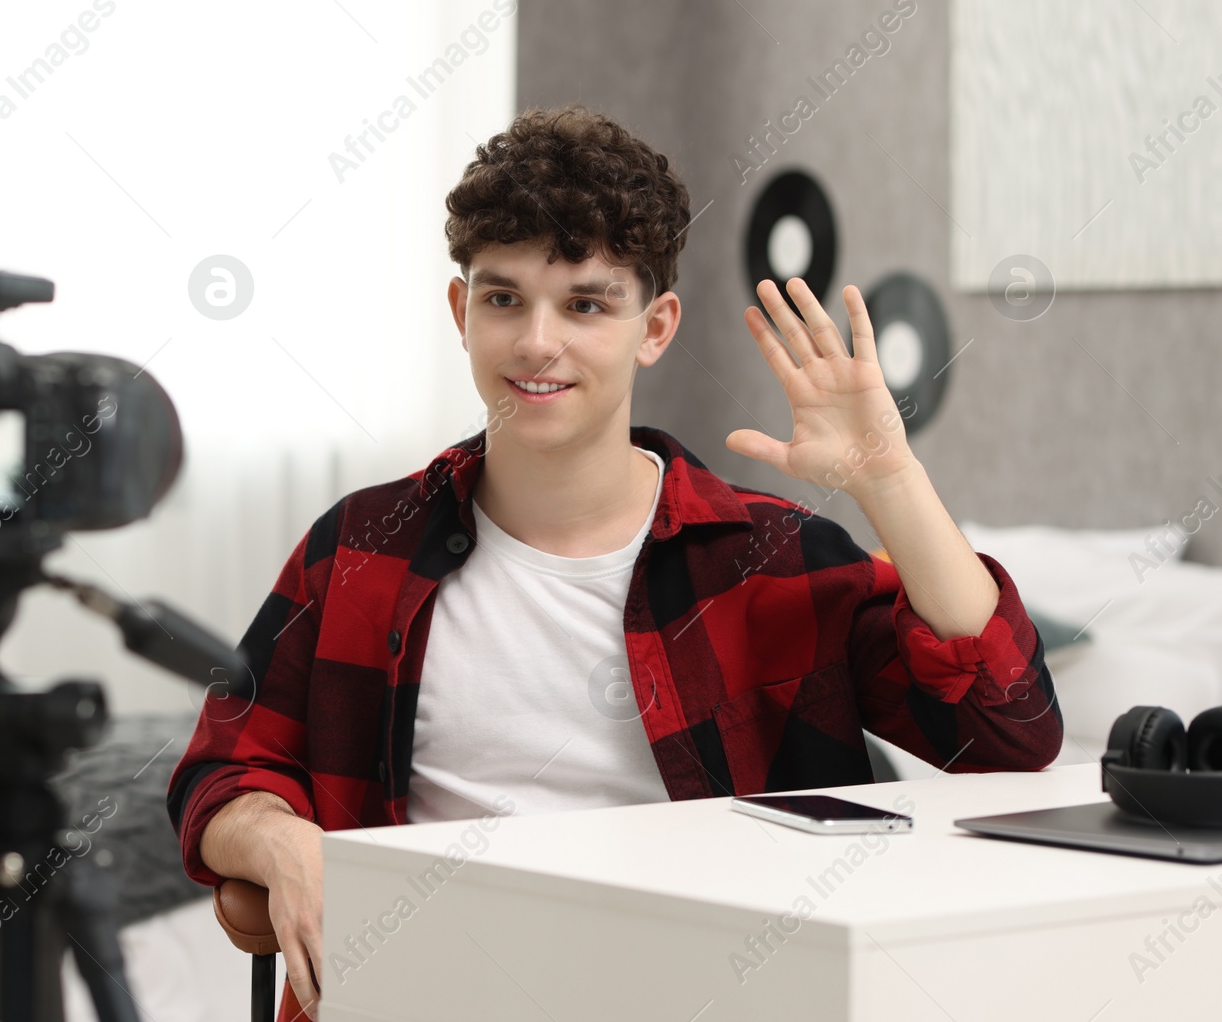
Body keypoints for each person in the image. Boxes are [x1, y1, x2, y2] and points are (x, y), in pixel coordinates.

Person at [166, 103, 1062, 1021]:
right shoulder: (359, 548)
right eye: (502, 297)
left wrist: (891, 479)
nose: (536, 342)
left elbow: (1008, 733)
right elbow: (221, 770)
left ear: (656, 326)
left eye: (586, 303)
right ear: (459, 311)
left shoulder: (768, 559)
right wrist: (282, 845)